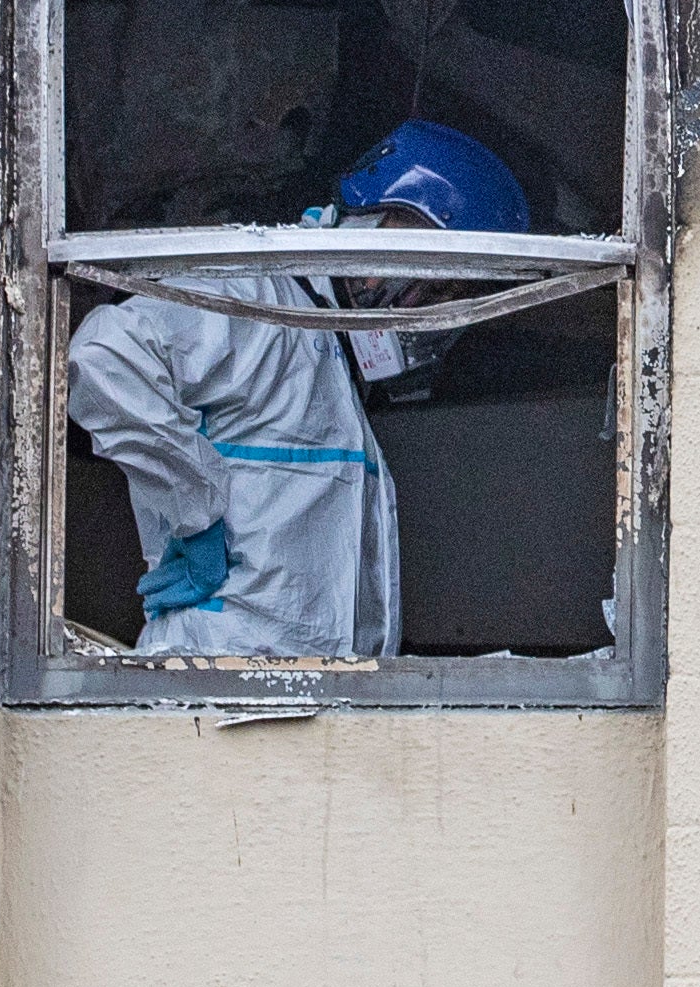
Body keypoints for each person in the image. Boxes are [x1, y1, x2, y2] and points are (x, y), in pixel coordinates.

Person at [66, 120, 530, 659]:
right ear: (376, 221)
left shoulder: (329, 356)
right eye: (428, 280)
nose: (424, 306)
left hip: (301, 695)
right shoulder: (258, 297)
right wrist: (195, 514)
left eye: (450, 294)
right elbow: (106, 356)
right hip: (215, 678)